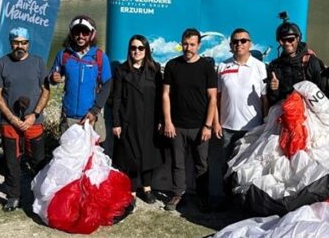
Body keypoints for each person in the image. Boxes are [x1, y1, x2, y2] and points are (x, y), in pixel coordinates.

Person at [0, 27, 50, 212]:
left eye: (23, 42)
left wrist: (34, 114)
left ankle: (40, 196)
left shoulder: (38, 63)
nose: (20, 46)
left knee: (38, 161)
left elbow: (46, 90)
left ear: (28, 43)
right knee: (11, 161)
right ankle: (13, 196)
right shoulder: (1, 63)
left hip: (34, 122)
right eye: (16, 42)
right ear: (10, 43)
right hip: (10, 123)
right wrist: (10, 117)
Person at [162, 28, 217, 211]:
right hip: (177, 126)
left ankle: (203, 197)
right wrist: (168, 121)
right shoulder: (172, 65)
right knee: (177, 163)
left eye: (192, 44)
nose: (188, 48)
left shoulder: (207, 67)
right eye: (185, 44)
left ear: (199, 45)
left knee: (202, 164)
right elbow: (165, 95)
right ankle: (178, 194)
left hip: (200, 126)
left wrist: (208, 126)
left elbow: (212, 98)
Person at [211, 28, 268, 205]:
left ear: (250, 43)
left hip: (253, 129)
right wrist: (216, 122)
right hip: (227, 127)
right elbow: (216, 98)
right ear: (230, 45)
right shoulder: (222, 66)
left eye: (243, 41)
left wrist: (265, 124)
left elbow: (264, 99)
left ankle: (245, 203)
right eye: (235, 41)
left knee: (249, 169)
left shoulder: (260, 67)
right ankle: (226, 200)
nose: (239, 44)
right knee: (226, 166)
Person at [111, 35, 163, 205]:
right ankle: (132, 190)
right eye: (133, 48)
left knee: (148, 155)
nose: (137, 51)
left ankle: (147, 188)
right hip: (129, 120)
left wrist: (162, 119)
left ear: (146, 49)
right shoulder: (122, 70)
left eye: (141, 48)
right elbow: (117, 98)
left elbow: (162, 97)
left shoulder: (155, 69)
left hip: (150, 120)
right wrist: (117, 122)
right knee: (131, 157)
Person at [50, 15, 112, 143]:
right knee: (68, 157)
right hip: (69, 117)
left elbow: (107, 85)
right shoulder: (64, 55)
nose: (81, 36)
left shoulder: (99, 57)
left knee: (90, 158)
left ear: (92, 34)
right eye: (76, 32)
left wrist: (94, 111)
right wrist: (53, 78)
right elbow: (53, 76)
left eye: (85, 32)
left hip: (90, 116)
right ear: (71, 34)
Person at [267, 19, 329, 106]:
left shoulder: (312, 62)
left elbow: (325, 94)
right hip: (286, 114)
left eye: (290, 39)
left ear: (298, 38)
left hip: (310, 115)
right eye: (282, 40)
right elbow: (272, 100)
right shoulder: (274, 66)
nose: (286, 43)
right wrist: (274, 89)